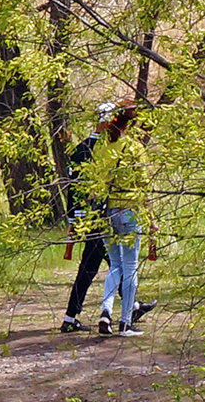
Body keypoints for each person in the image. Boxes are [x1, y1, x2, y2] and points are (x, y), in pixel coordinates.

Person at [59, 102, 155, 333]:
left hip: (101, 214)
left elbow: (79, 189)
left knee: (114, 265)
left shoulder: (88, 148)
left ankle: (122, 308)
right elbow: (142, 185)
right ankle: (112, 318)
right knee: (110, 266)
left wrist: (74, 221)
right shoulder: (113, 147)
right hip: (110, 213)